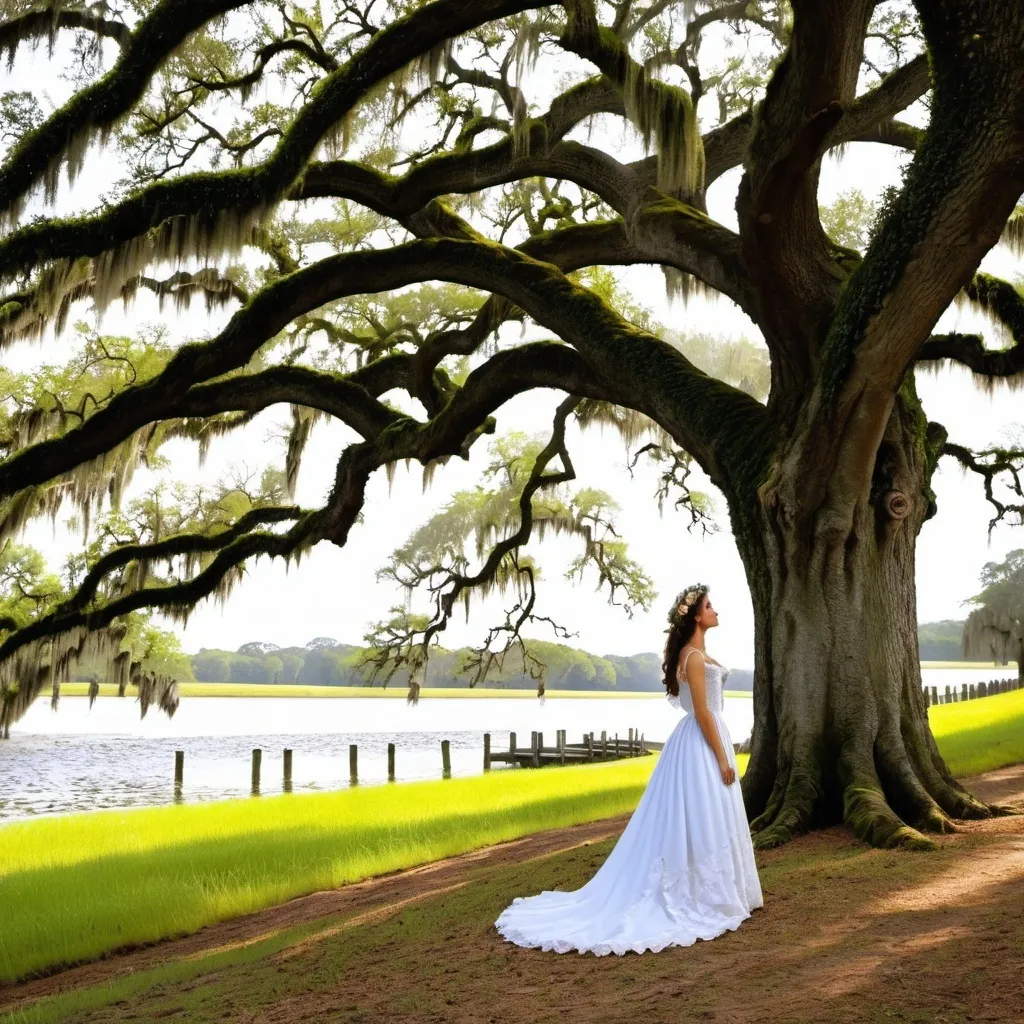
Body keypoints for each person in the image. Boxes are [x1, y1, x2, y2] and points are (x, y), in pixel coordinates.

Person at [494, 583, 763, 955]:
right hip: (703, 739)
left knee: (707, 816)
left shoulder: (695, 654)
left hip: (697, 737)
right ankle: (704, 895)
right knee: (703, 813)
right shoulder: (695, 659)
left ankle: (716, 888)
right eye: (709, 606)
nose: (716, 611)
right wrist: (721, 756)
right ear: (697, 616)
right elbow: (702, 712)